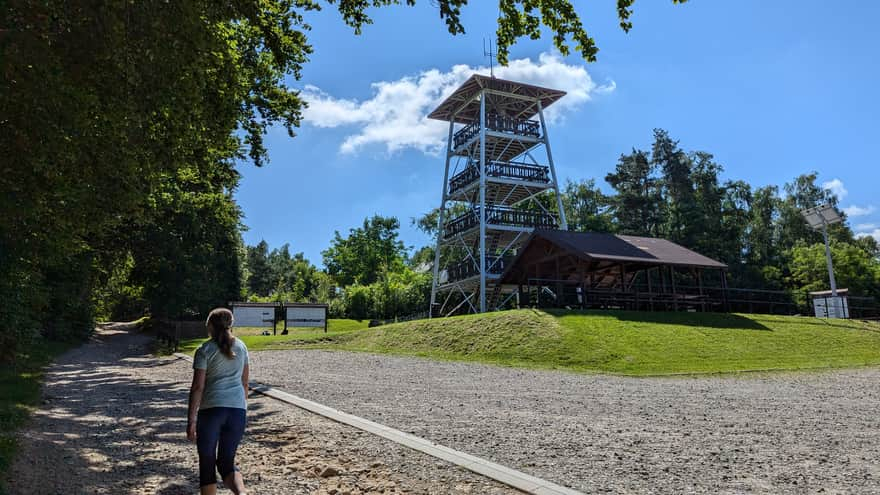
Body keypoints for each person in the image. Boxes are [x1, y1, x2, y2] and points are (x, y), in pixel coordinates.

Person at [187, 308, 250, 495]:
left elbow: (197, 387)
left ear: (209, 326)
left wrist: (191, 420)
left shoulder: (204, 350)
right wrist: (242, 408)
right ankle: (242, 493)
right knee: (226, 462)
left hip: (212, 410)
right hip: (237, 411)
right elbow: (245, 382)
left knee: (207, 461)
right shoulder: (241, 347)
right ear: (230, 325)